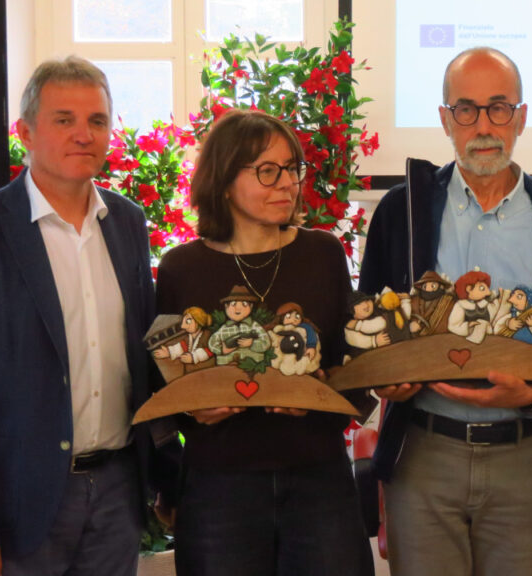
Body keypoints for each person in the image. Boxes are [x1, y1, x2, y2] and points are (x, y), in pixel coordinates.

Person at [359, 47, 532, 575]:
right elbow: (368, 321)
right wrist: (385, 376)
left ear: (521, 117)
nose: (482, 126)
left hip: (525, 457)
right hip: (423, 454)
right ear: (444, 119)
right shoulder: (401, 213)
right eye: (466, 109)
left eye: (498, 108)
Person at [0, 56, 173, 576]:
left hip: (117, 490)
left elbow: (143, 359)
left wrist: (167, 472)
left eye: (97, 121)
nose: (84, 134)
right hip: (18, 500)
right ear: (25, 132)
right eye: (64, 120)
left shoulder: (127, 222)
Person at [154, 109, 373, 575]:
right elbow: (160, 383)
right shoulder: (180, 269)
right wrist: (193, 411)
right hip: (219, 484)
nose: (287, 183)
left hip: (318, 477)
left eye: (292, 168)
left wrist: (318, 393)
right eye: (268, 171)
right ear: (224, 180)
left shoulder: (323, 254)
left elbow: (354, 369)